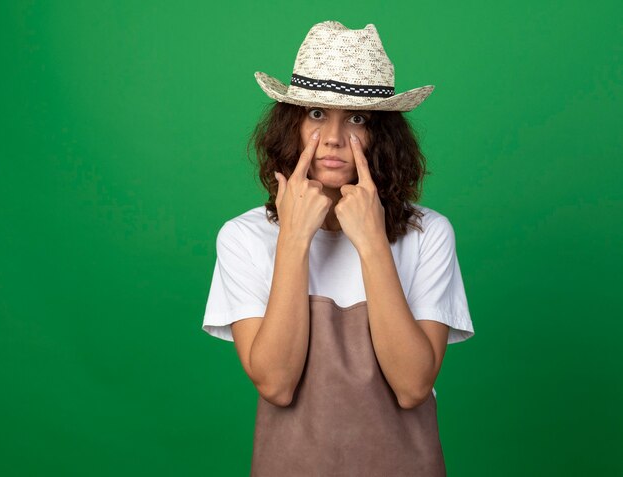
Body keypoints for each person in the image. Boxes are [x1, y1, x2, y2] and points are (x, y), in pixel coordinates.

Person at [202, 20, 475, 476]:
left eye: (357, 118)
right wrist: (293, 240)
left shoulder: (429, 234)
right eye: (315, 114)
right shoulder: (243, 236)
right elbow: (276, 383)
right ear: (290, 125)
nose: (332, 137)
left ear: (382, 136)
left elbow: (412, 387)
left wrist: (371, 243)